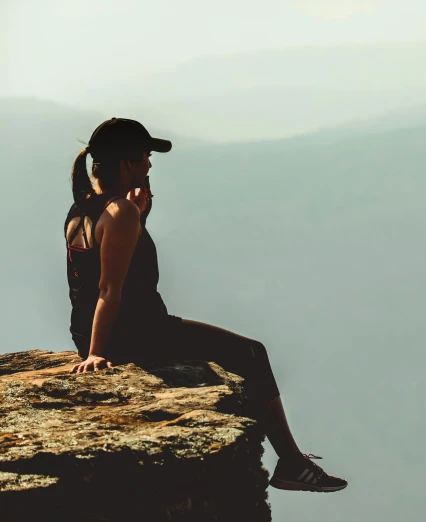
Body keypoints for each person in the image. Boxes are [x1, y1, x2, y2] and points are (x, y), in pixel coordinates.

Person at [64, 117, 346, 493]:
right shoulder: (120, 213)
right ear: (127, 164)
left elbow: (95, 277)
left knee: (238, 354)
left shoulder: (82, 209)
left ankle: (291, 462)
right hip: (138, 335)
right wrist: (98, 354)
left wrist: (141, 221)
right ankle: (292, 464)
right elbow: (108, 289)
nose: (149, 165)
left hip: (96, 332)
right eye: (145, 157)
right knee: (251, 353)